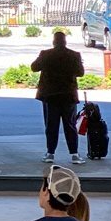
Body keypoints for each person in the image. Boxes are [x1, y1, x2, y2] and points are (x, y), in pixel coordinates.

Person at [31, 30, 86, 165]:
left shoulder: (46, 54)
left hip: (50, 96)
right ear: (65, 42)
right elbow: (80, 73)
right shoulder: (74, 55)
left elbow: (34, 67)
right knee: (70, 125)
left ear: (54, 42)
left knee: (51, 125)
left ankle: (50, 153)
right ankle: (74, 154)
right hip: (68, 95)